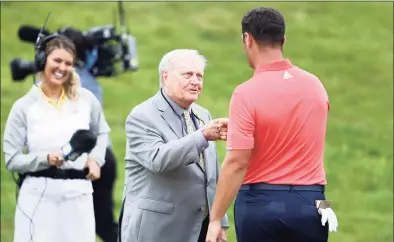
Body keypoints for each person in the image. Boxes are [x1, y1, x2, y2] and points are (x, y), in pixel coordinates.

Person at [206, 7, 338, 242]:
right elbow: (298, 129)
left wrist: (216, 218)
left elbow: (237, 162)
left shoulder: (246, 94)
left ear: (248, 39)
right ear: (283, 40)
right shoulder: (315, 86)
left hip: (261, 205)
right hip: (312, 203)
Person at [3, 35, 110, 242]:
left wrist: (95, 159)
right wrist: (45, 159)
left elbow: (102, 132)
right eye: (57, 61)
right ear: (43, 61)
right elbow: (12, 160)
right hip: (37, 198)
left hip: (78, 196)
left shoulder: (86, 99)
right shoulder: (23, 107)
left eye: (68, 63)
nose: (62, 67)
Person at [119, 49, 229, 242]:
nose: (195, 81)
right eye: (188, 74)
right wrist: (202, 135)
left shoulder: (204, 115)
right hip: (157, 230)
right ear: (165, 76)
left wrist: (219, 220)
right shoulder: (142, 116)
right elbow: (158, 159)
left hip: (200, 229)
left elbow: (212, 174)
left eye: (199, 76)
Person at [62, 27, 119, 242]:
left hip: (81, 161)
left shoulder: (58, 84)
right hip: (105, 157)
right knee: (104, 226)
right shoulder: (90, 79)